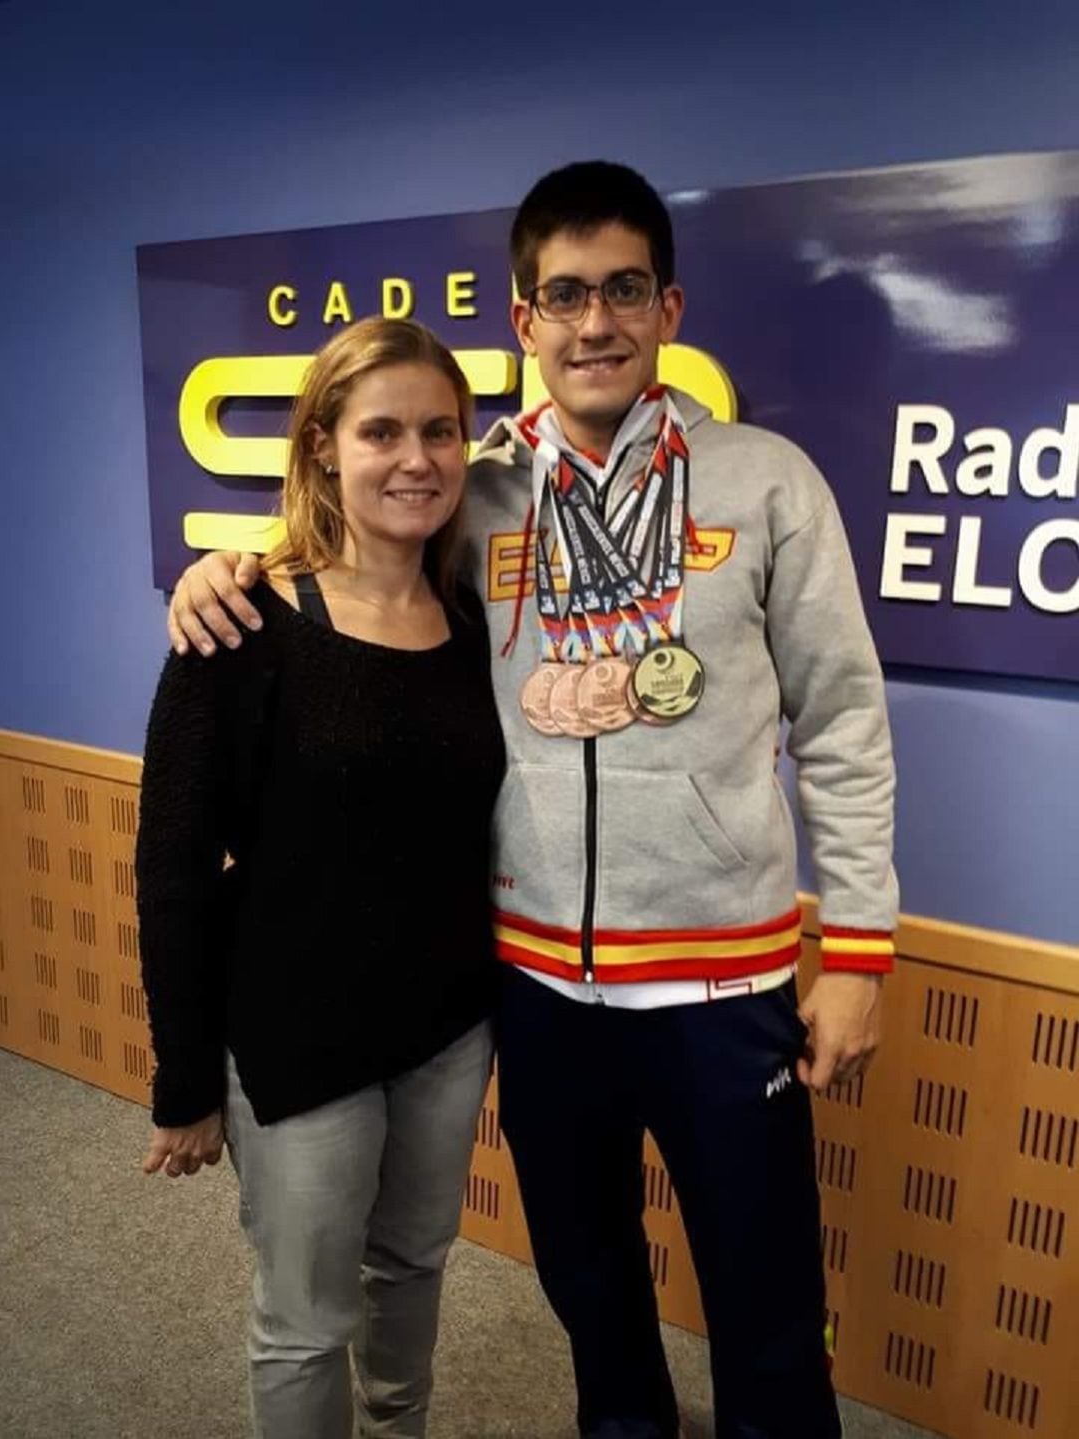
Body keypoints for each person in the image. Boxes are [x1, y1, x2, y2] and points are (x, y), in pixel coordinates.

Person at [166, 162, 898, 1439]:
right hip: (541, 992)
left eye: (623, 290)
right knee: (591, 1290)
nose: (594, 322)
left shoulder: (768, 483)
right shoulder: (478, 491)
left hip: (724, 989)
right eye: (563, 295)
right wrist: (223, 567)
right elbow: (351, 563)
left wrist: (860, 950)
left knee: (768, 1307)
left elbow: (841, 722)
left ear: (668, 307)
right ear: (523, 321)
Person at [136, 316, 506, 1439]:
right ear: (321, 450)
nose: (416, 458)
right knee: (303, 1317)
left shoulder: (477, 617)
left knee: (412, 1265)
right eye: (381, 429)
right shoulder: (242, 622)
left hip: (447, 1029)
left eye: (440, 430)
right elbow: (172, 865)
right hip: (299, 1044)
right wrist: (186, 1079)